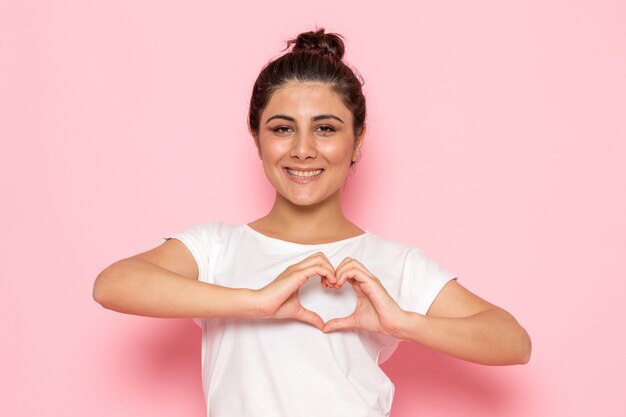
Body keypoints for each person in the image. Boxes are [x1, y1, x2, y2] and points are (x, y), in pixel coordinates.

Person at [93, 28, 531, 417]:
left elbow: (512, 341)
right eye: (282, 129)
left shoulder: (390, 262)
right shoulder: (216, 247)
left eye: (325, 129)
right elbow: (114, 284)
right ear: (257, 139)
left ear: (357, 141)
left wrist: (402, 323)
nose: (303, 149)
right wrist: (256, 302)